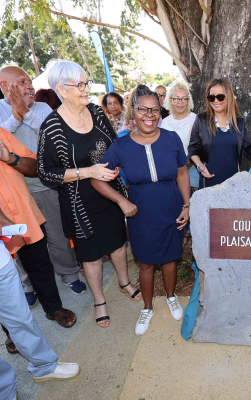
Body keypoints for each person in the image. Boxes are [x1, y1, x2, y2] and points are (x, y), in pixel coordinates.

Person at [37, 60, 141, 329]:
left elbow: (114, 145)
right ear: (61, 88)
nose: (86, 88)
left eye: (86, 82)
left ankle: (124, 282)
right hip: (78, 202)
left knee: (118, 243)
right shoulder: (52, 127)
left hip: (109, 192)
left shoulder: (96, 111)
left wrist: (114, 168)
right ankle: (99, 301)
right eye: (80, 84)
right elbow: (46, 172)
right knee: (91, 255)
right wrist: (88, 171)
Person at [92, 85, 190, 336]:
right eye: (143, 109)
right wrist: (121, 201)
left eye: (155, 110)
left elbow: (181, 172)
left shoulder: (171, 138)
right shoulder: (120, 145)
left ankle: (170, 297)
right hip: (140, 210)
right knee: (145, 262)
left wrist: (187, 205)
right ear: (133, 111)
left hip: (171, 204)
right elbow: (96, 178)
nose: (149, 115)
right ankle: (147, 307)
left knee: (170, 257)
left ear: (160, 111)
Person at [0, 66, 84, 302]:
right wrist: (16, 115)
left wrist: (25, 114)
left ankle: (68, 273)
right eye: (21, 81)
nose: (29, 85)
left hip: (45, 184)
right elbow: (1, 139)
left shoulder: (42, 108)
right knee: (20, 242)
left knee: (57, 235)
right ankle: (28, 286)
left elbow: (55, 135)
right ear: (5, 86)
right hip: (12, 193)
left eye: (29, 80)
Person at [0, 126, 77, 356]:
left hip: (23, 216)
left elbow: (35, 168)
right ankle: (11, 332)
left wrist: (10, 158)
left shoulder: (1, 133)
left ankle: (53, 309)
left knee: (40, 265)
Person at [0, 210, 80, 400]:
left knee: (21, 318)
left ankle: (44, 367)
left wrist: (3, 220)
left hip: (1, 266)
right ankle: (4, 392)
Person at [188, 78, 251, 189]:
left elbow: (248, 145)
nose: (215, 101)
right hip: (209, 180)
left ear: (229, 97)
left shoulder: (238, 121)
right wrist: (200, 165)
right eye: (212, 97)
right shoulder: (201, 120)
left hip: (233, 181)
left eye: (220, 97)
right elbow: (192, 149)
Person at [161, 81, 198, 190]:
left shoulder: (196, 120)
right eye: (176, 98)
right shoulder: (165, 122)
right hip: (169, 174)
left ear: (188, 100)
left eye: (184, 98)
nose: (180, 102)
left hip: (192, 172)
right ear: (170, 100)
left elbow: (200, 148)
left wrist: (183, 167)